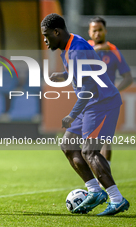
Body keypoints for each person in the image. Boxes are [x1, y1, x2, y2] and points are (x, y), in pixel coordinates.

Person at [41, 13, 129, 216]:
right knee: (68, 145)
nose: (44, 40)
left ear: (56, 32)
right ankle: (95, 191)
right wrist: (64, 75)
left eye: (46, 35)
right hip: (92, 103)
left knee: (89, 151)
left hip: (102, 103)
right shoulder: (70, 46)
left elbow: (89, 84)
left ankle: (117, 199)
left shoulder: (77, 49)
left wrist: (72, 114)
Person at [88, 17, 133, 163]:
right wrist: (98, 49)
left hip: (108, 101)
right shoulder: (85, 48)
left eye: (100, 30)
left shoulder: (113, 51)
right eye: (94, 30)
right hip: (88, 100)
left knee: (106, 139)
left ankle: (104, 176)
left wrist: (115, 90)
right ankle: (95, 176)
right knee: (87, 141)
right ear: (89, 32)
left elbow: (128, 77)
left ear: (105, 31)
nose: (97, 33)